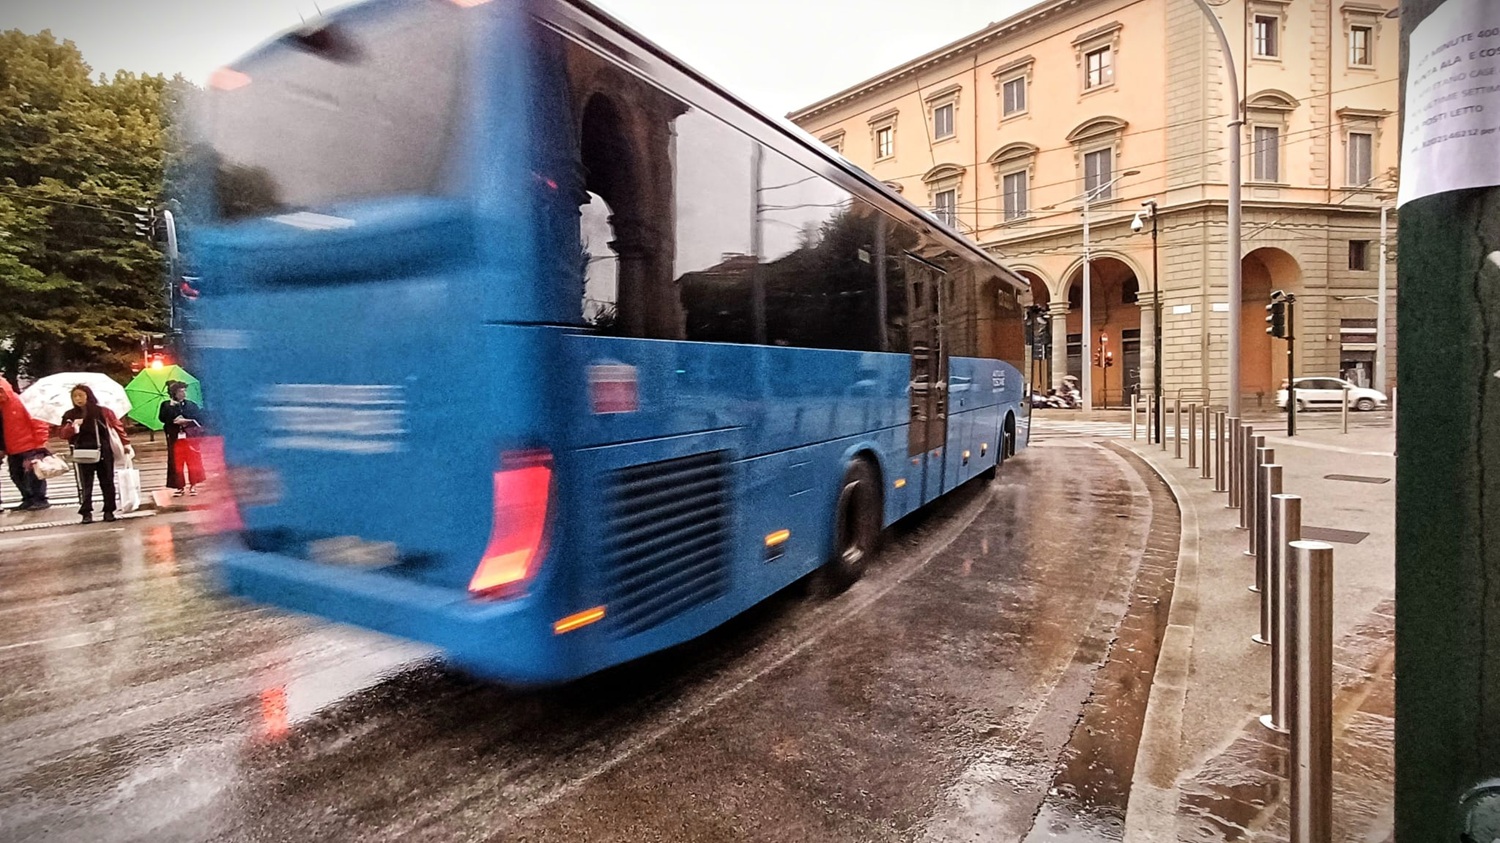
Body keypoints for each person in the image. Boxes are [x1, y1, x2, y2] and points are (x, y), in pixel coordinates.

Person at [60, 384, 131, 524]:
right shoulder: (70, 414)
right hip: (82, 451)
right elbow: (62, 434)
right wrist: (73, 427)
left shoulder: (102, 411)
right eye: (75, 396)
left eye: (81, 395)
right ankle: (86, 511)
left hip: (103, 450)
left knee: (107, 481)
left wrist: (125, 443)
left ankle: (109, 510)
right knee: (86, 483)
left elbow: (117, 427)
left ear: (88, 395)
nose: (78, 399)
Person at [0, 378, 53, 511]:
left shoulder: (22, 402)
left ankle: (39, 499)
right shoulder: (2, 407)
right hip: (13, 447)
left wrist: (40, 443)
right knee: (16, 474)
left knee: (34, 474)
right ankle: (28, 498)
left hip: (29, 446)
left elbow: (38, 422)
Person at [158, 380, 207, 496]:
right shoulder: (166, 405)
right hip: (175, 437)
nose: (183, 394)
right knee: (176, 462)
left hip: (189, 436)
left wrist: (188, 421)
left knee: (192, 460)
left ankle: (193, 484)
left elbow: (198, 418)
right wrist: (173, 418)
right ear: (174, 393)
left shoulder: (190, 404)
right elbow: (162, 418)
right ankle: (179, 486)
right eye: (180, 391)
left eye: (184, 391)